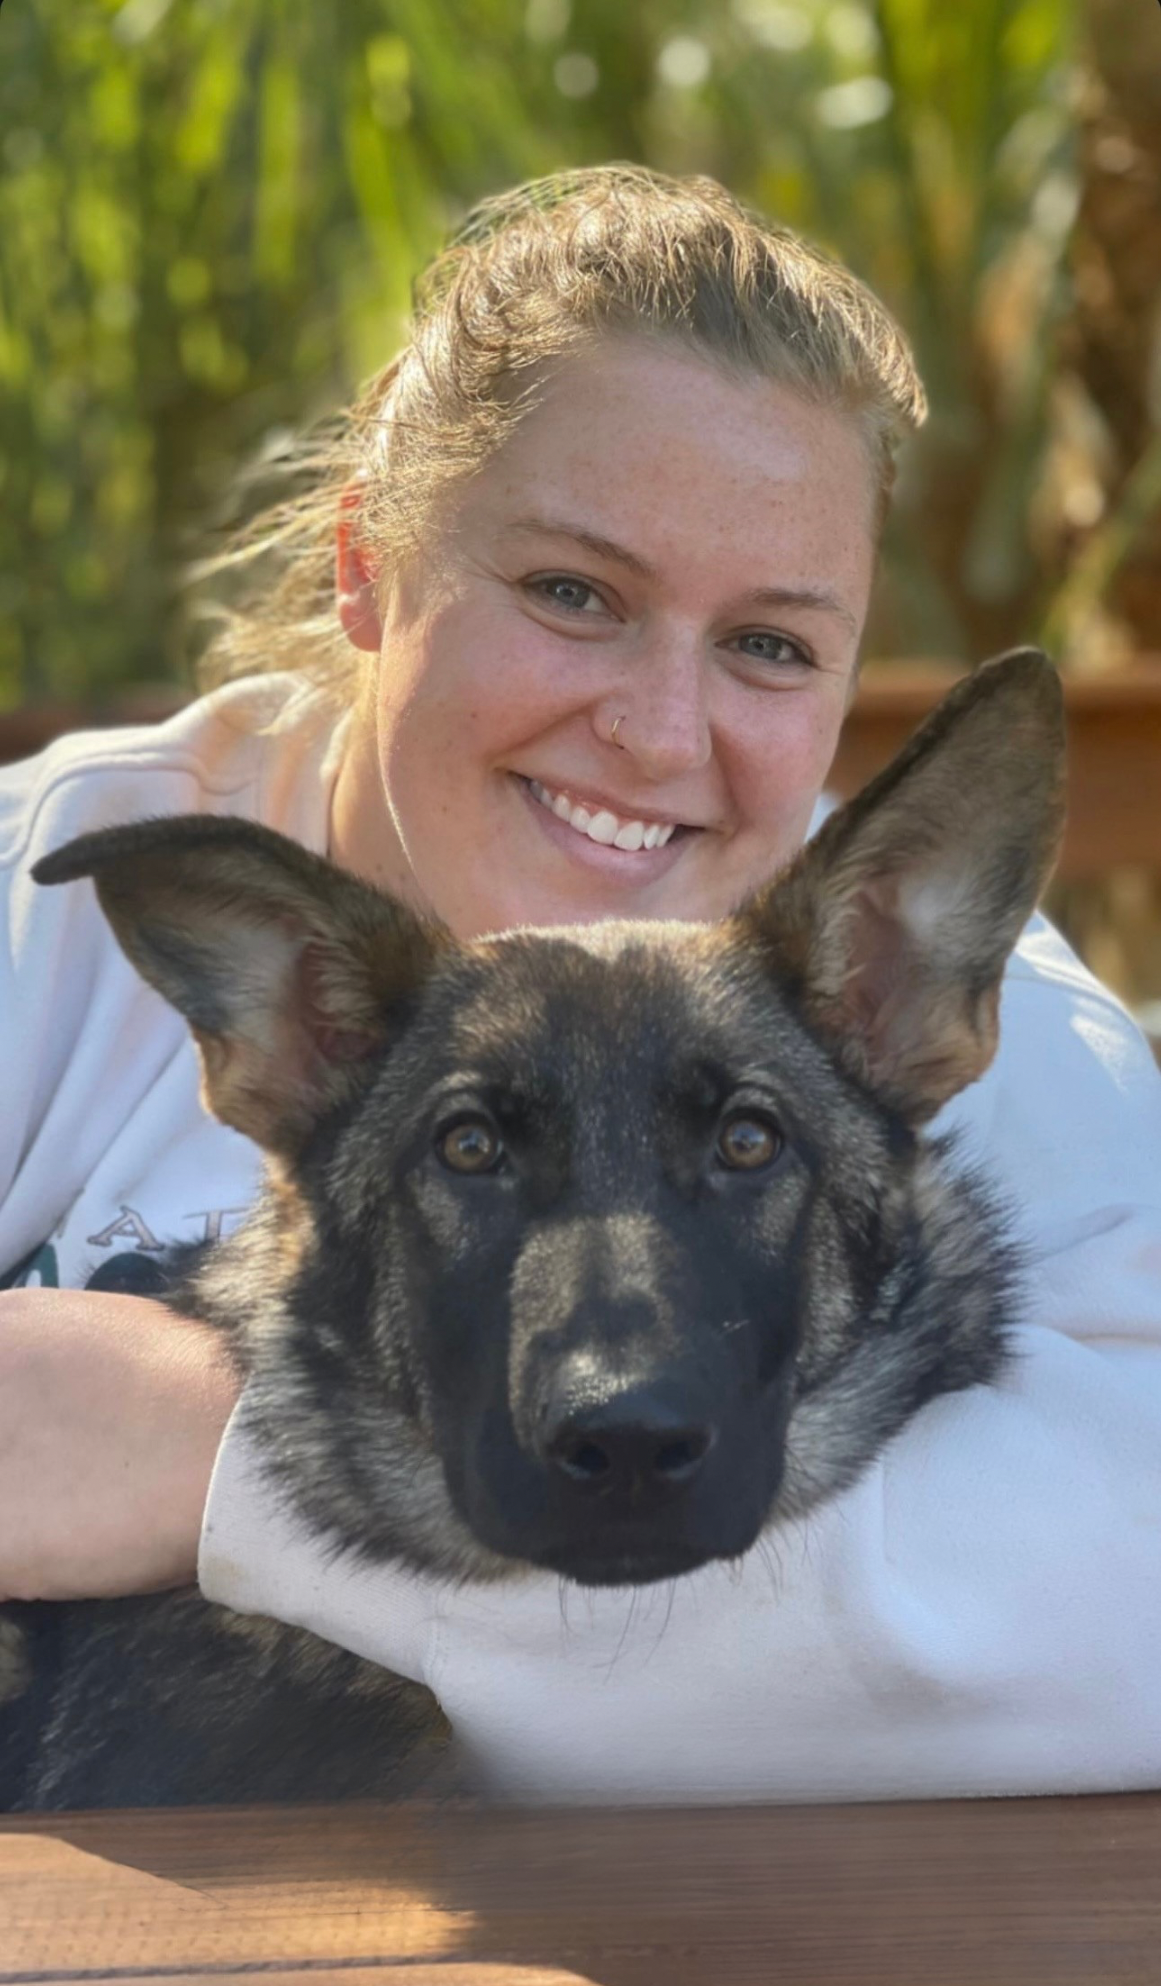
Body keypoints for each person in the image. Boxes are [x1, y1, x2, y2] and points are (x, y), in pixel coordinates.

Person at [3, 165, 1160, 1803]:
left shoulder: (916, 996)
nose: (660, 729)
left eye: (768, 645)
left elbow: (1141, 1592)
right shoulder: (53, 896)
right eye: (572, 595)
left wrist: (220, 1469)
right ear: (365, 569)